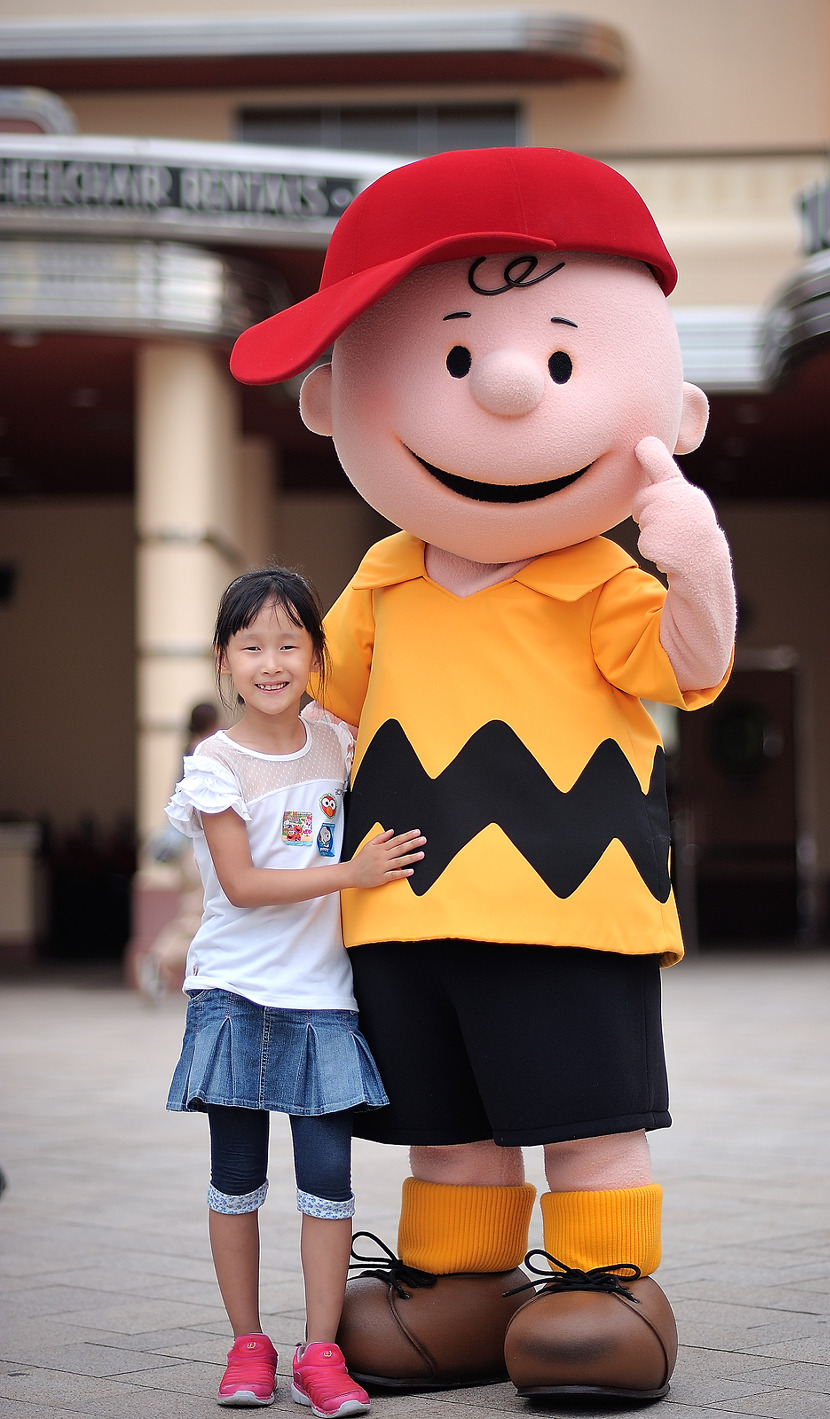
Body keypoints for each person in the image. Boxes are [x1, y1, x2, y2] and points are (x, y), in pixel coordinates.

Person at [229, 148, 736, 1402]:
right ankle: (461, 1285)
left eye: (562, 363)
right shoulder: (384, 576)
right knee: (446, 1127)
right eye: (452, 357)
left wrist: (694, 558)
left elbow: (693, 667)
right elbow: (322, 706)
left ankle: (605, 1284)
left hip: (573, 901)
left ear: (677, 417)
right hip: (402, 907)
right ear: (330, 401)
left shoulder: (602, 576)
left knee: (586, 1119)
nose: (508, 386)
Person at [164, 566, 425, 1414]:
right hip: (233, 993)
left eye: (289, 643)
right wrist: (351, 872)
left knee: (328, 1184)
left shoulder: (335, 740)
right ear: (223, 659)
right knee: (235, 1180)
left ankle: (320, 1352)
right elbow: (240, 884)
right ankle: (248, 1346)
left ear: (316, 653)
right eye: (252, 647)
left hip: (322, 998)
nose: (271, 662)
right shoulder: (216, 763)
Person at [135, 702, 222, 1001]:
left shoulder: (188, 749)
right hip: (196, 850)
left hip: (188, 850)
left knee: (196, 911)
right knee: (197, 913)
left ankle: (162, 963)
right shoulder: (206, 751)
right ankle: (159, 960)